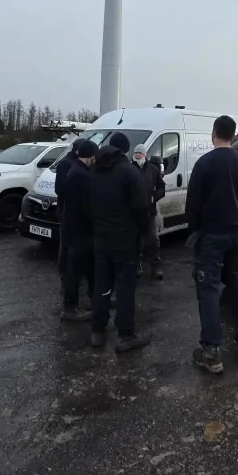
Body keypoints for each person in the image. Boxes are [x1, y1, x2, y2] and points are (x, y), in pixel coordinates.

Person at [185, 115, 238, 374]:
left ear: (213, 134)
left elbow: (191, 205)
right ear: (234, 136)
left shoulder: (204, 164)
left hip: (212, 236)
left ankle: (212, 351)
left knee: (209, 289)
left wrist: (197, 230)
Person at [89, 131, 151, 351]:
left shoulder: (94, 171)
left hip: (101, 237)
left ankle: (97, 329)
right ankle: (126, 334)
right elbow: (142, 208)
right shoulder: (129, 173)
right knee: (125, 289)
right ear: (125, 149)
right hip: (125, 240)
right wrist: (142, 235)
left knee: (102, 285)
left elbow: (88, 204)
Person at [59, 139, 98, 322]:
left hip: (78, 230)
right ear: (90, 156)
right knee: (74, 270)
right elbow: (84, 206)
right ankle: (70, 308)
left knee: (89, 267)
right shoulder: (80, 175)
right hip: (79, 231)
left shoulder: (77, 170)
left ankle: (95, 297)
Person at [132, 144, 166, 280]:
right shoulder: (129, 168)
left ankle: (155, 268)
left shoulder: (152, 169)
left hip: (149, 211)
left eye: (140, 153)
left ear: (145, 155)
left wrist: (154, 197)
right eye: (136, 153)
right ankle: (136, 266)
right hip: (133, 212)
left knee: (153, 240)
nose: (138, 155)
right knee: (135, 240)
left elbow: (161, 187)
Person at [55, 139, 79, 279]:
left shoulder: (71, 162)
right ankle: (64, 273)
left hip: (69, 210)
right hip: (66, 210)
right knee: (65, 245)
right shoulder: (66, 164)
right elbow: (60, 189)